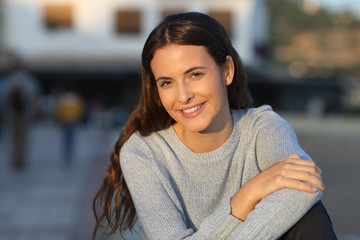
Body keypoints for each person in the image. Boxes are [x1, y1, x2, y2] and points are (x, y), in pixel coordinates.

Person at [93, 12, 336, 239]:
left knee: (309, 215)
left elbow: (305, 187)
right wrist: (244, 199)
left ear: (227, 71)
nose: (183, 95)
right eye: (167, 82)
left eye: (195, 74)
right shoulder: (143, 153)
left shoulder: (263, 127)